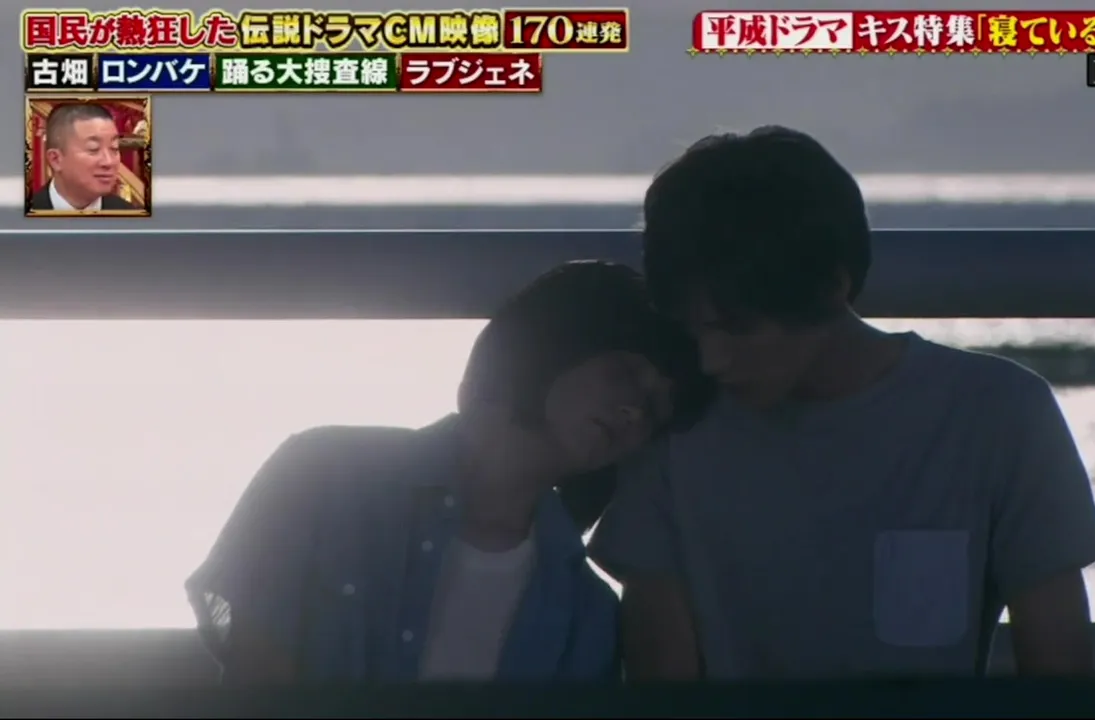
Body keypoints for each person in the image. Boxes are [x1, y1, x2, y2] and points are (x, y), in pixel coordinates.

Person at [589, 126, 1095, 679]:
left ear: (829, 287)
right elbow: (662, 687)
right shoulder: (676, 426)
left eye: (738, 328)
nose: (710, 360)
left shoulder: (997, 413)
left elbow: (1057, 671)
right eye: (693, 330)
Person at [185, 261, 711, 683]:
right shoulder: (321, 472)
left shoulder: (586, 609)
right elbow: (256, 678)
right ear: (559, 344)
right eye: (623, 374)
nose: (634, 412)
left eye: (655, 410)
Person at [29, 102, 136, 213]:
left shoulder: (130, 215)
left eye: (114, 148)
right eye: (93, 149)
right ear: (55, 159)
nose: (108, 162)